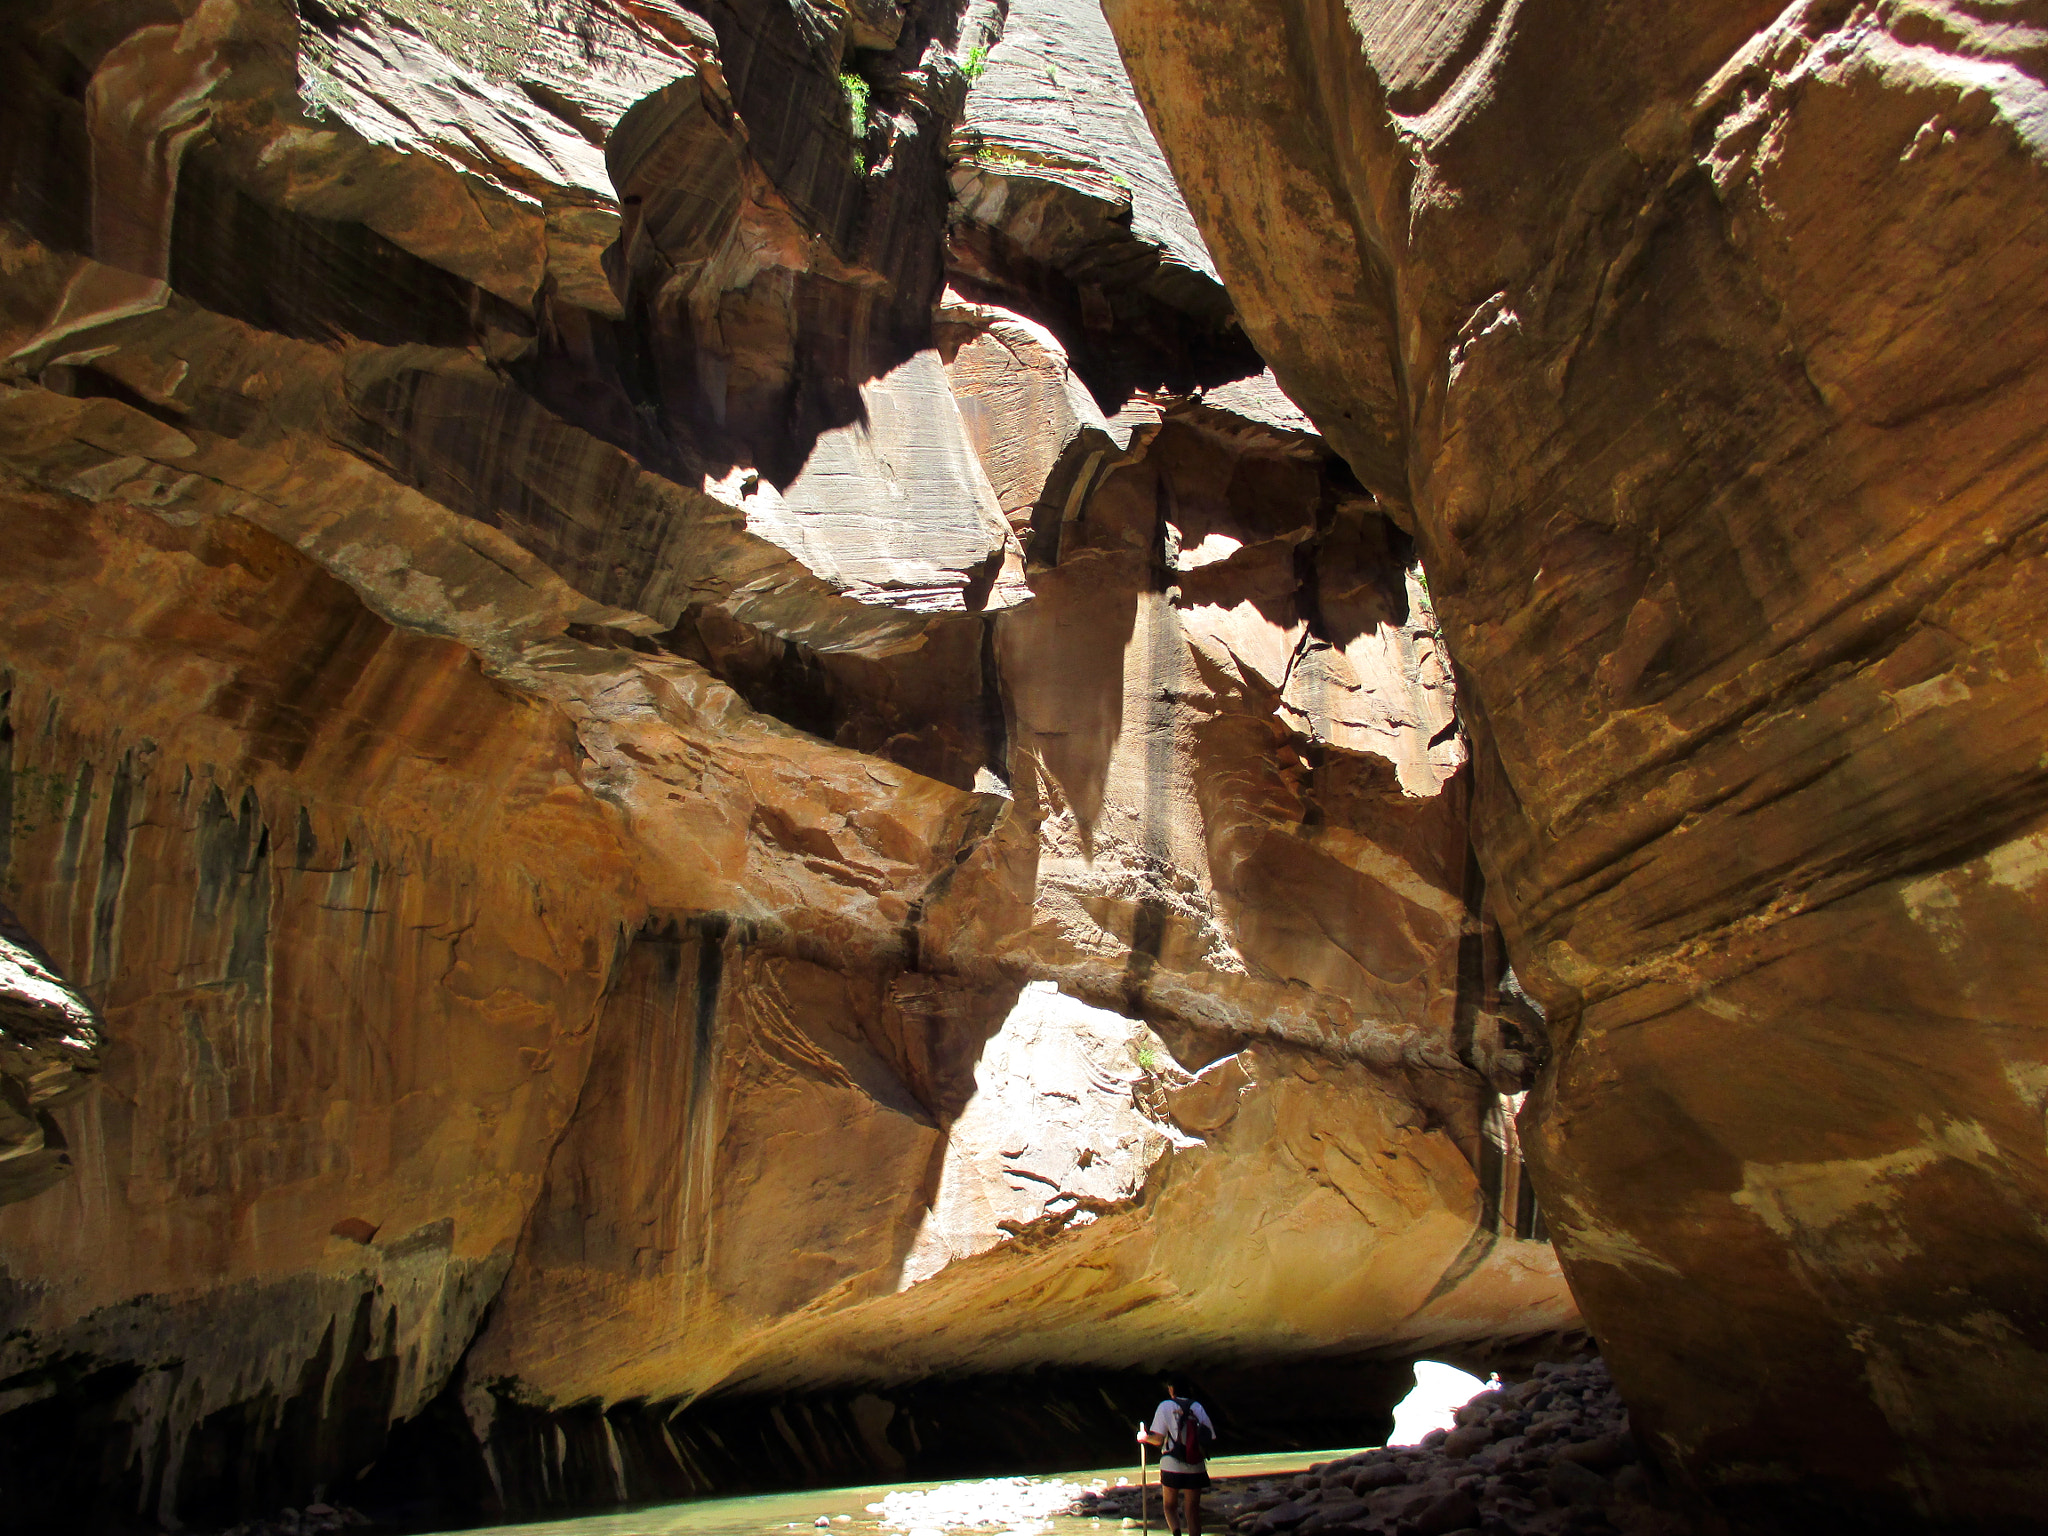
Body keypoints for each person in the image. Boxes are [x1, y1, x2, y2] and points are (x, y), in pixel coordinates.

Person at [1137, 1380, 1215, 1536]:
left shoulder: (1165, 1406)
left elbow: (1158, 1439)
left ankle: (1176, 1532)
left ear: (1172, 1390)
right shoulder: (1197, 1407)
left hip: (1172, 1465)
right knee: (1192, 1510)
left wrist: (1144, 1437)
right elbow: (1210, 1437)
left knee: (1169, 1506)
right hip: (1196, 1465)